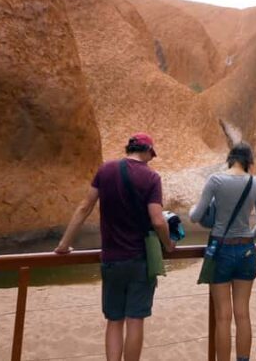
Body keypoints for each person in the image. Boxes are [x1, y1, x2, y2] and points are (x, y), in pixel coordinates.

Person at [54, 132, 175, 361]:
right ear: (148, 151)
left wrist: (64, 244)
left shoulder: (105, 170)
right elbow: (158, 220)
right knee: (135, 320)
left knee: (114, 321)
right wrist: (168, 244)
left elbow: (84, 207)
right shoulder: (151, 177)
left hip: (111, 259)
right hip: (140, 259)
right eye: (152, 154)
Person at [190, 142, 256, 361]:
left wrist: (190, 211)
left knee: (223, 316)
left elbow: (196, 216)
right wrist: (247, 239)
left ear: (230, 158)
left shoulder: (216, 180)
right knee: (242, 313)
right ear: (248, 161)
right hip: (246, 250)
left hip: (220, 249)